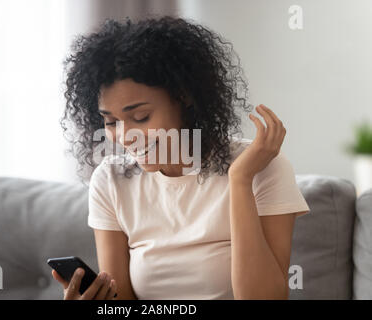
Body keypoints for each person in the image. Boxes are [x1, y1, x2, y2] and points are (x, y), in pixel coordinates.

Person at [53, 15, 310, 300]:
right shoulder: (111, 179)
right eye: (111, 122)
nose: (126, 136)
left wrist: (240, 180)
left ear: (184, 97)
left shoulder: (261, 167)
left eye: (140, 117)